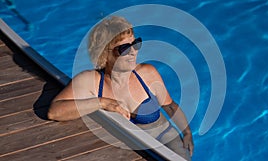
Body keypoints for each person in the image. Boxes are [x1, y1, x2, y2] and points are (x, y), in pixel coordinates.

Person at [47, 16, 193, 160]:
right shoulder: (92, 81)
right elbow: (54, 112)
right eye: (124, 48)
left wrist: (187, 132)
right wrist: (102, 102)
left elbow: (171, 107)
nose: (133, 51)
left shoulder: (147, 74)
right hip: (133, 150)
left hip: (165, 138)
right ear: (103, 53)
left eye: (135, 44)